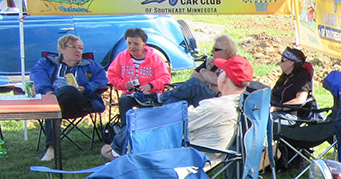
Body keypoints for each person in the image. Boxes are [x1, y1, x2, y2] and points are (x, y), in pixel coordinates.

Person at [101, 54, 253, 163]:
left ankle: (117, 153)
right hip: (206, 149)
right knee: (159, 110)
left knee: (140, 121)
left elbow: (174, 125)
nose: (218, 75)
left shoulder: (215, 106)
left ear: (225, 79)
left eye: (220, 72)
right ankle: (118, 150)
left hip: (186, 157)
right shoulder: (245, 103)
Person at [29, 34, 108, 162]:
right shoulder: (46, 63)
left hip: (80, 102)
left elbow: (102, 81)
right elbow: (38, 78)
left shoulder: (90, 65)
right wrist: (47, 91)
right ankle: (51, 148)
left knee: (68, 91)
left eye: (81, 48)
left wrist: (86, 88)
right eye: (73, 47)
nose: (78, 51)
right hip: (55, 101)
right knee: (54, 107)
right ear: (61, 49)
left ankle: (51, 148)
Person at [159, 34, 239, 108]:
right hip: (203, 95)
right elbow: (193, 75)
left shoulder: (234, 64)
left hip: (217, 99)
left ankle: (160, 97)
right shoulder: (211, 61)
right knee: (178, 100)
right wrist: (208, 77)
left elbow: (219, 81)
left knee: (195, 84)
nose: (212, 52)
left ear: (226, 52)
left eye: (215, 49)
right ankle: (165, 111)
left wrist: (203, 73)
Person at [106, 28, 172, 113]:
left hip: (149, 95)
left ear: (144, 43)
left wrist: (150, 85)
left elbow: (165, 78)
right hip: (129, 94)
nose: (132, 46)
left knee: (145, 106)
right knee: (124, 100)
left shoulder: (154, 59)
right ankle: (125, 125)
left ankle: (145, 125)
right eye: (129, 43)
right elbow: (112, 75)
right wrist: (124, 84)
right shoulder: (121, 57)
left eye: (136, 44)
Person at [271, 46, 319, 118]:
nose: (280, 63)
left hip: (290, 115)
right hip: (277, 112)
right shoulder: (286, 75)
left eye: (282, 60)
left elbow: (300, 100)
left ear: (291, 62)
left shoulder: (302, 77)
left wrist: (277, 108)